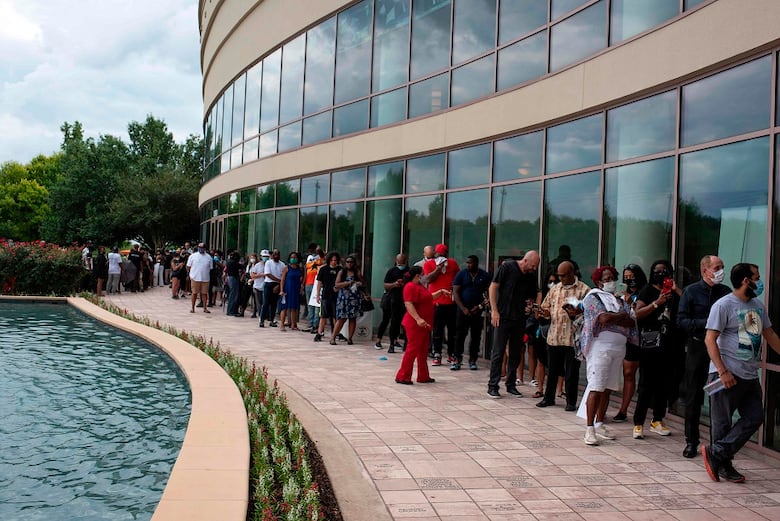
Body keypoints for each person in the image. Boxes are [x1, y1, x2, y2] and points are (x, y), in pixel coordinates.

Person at [702, 263, 780, 483]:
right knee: (722, 424)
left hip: (749, 375)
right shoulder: (723, 305)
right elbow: (710, 340)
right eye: (757, 277)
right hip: (726, 374)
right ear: (746, 281)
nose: (760, 282)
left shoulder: (757, 306)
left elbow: (770, 334)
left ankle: (717, 452)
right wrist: (722, 371)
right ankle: (724, 465)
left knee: (755, 417)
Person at [677, 255, 730, 458]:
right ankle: (691, 441)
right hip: (698, 348)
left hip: (720, 350)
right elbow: (682, 321)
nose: (720, 271)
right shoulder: (691, 291)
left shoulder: (725, 292)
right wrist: (709, 323)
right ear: (704, 270)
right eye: (717, 268)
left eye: (722, 267)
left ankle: (719, 443)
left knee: (720, 396)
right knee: (694, 396)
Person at [579, 266, 638, 445]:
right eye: (607, 279)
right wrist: (620, 316)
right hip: (600, 347)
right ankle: (589, 429)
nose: (611, 282)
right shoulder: (593, 297)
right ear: (599, 282)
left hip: (618, 348)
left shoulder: (618, 300)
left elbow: (631, 321)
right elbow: (602, 318)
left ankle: (599, 423)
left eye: (613, 278)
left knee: (607, 388)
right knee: (596, 386)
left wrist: (615, 317)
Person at [632, 260, 683, 439]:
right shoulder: (647, 290)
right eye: (658, 271)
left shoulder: (674, 292)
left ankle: (657, 420)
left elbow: (689, 304)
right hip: (650, 343)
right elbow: (637, 314)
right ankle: (638, 423)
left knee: (665, 384)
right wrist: (657, 303)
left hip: (670, 344)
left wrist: (675, 290)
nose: (661, 275)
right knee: (646, 384)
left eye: (665, 271)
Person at [536, 261, 590, 410]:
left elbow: (590, 313)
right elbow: (546, 308)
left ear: (571, 273)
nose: (561, 278)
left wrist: (576, 313)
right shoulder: (555, 289)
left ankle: (571, 402)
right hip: (555, 336)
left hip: (573, 338)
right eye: (559, 276)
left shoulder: (584, 290)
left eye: (564, 275)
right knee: (552, 370)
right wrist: (543, 312)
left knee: (571, 372)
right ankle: (548, 398)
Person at [487, 251, 540, 398]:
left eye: (536, 267)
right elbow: (493, 287)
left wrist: (531, 306)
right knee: (498, 352)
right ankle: (493, 385)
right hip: (503, 316)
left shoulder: (530, 276)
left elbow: (534, 294)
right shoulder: (507, 267)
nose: (534, 269)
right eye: (533, 266)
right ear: (525, 260)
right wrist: (494, 310)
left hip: (519, 318)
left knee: (516, 353)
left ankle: (511, 384)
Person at [395, 266, 449, 384]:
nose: (424, 276)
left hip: (424, 324)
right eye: (422, 274)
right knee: (412, 350)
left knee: (422, 351)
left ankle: (423, 376)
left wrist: (440, 292)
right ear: (417, 275)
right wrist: (418, 319)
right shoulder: (410, 286)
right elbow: (408, 304)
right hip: (415, 324)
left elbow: (428, 298)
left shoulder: (419, 286)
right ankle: (403, 376)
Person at [612, 264, 648, 422]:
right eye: (626, 277)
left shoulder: (644, 292)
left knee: (635, 374)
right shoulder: (622, 293)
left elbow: (638, 314)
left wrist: (630, 304)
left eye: (632, 276)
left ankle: (629, 409)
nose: (629, 280)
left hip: (641, 337)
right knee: (627, 373)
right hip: (624, 336)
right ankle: (623, 410)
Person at [451, 255, 491, 370]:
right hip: (462, 310)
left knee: (476, 336)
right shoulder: (461, 274)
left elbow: (490, 294)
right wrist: (463, 308)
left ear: (476, 263)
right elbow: (455, 292)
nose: (468, 265)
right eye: (467, 263)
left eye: (471, 263)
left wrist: (479, 306)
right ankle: (457, 359)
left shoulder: (484, 275)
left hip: (477, 311)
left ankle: (473, 360)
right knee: (460, 335)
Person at [423, 243, 460, 366]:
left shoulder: (453, 264)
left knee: (452, 331)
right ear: (435, 255)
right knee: (437, 330)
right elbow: (428, 279)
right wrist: (438, 268)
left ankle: (451, 354)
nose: (441, 258)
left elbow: (458, 279)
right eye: (439, 256)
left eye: (443, 256)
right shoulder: (429, 264)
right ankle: (437, 353)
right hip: (437, 303)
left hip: (451, 302)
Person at [527, 269, 558, 398]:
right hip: (543, 328)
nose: (552, 284)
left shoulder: (561, 293)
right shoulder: (541, 294)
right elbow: (536, 314)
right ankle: (540, 388)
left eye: (555, 281)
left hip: (557, 328)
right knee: (541, 359)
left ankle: (559, 390)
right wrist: (540, 311)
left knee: (556, 361)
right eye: (550, 281)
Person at [376, 254, 409, 353]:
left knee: (403, 322)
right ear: (396, 261)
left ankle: (402, 342)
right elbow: (386, 285)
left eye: (403, 262)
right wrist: (395, 284)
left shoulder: (408, 271)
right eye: (400, 262)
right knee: (390, 321)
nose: (401, 264)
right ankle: (386, 342)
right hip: (392, 299)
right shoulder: (392, 271)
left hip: (404, 300)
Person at [330, 255, 364, 345]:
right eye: (347, 262)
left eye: (351, 262)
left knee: (352, 319)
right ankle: (333, 337)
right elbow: (337, 284)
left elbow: (363, 283)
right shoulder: (342, 272)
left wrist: (359, 282)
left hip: (354, 298)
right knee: (341, 318)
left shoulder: (357, 272)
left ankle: (350, 338)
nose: (349, 264)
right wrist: (348, 283)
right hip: (344, 299)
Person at [314, 252, 341, 342]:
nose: (333, 262)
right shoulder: (323, 269)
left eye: (335, 260)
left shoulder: (340, 270)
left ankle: (336, 333)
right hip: (326, 295)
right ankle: (319, 333)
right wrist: (318, 295)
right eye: (332, 260)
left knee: (335, 316)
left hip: (336, 296)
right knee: (323, 316)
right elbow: (319, 282)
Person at [279, 251, 304, 331]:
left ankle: (293, 324)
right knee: (284, 308)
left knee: (294, 308)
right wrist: (281, 290)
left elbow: (301, 279)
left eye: (295, 257)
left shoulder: (299, 269)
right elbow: (282, 280)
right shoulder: (286, 268)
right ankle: (282, 324)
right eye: (292, 257)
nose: (293, 259)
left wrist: (301, 288)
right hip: (287, 289)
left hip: (295, 290)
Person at [186, 242, 213, 313]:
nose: (200, 249)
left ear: (205, 248)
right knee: (194, 293)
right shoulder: (192, 256)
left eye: (202, 247)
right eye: (199, 247)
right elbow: (188, 266)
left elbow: (210, 268)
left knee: (204, 293)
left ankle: (205, 308)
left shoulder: (209, 257)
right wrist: (189, 274)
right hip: (195, 278)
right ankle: (192, 308)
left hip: (205, 278)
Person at [260, 249, 284, 327]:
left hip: (277, 285)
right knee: (266, 303)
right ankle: (262, 320)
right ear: (272, 255)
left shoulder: (282, 264)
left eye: (277, 254)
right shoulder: (268, 262)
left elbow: (283, 276)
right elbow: (268, 274)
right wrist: (279, 280)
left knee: (274, 304)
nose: (276, 255)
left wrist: (279, 284)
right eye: (274, 254)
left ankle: (272, 320)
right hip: (269, 284)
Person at [304, 246, 325, 332]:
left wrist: (320, 252)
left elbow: (322, 258)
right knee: (310, 305)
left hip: (317, 283)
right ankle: (310, 324)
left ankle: (315, 325)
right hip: (308, 283)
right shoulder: (309, 258)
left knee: (317, 305)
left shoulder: (322, 258)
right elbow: (306, 269)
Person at [226, 250, 242, 316]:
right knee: (233, 295)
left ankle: (231, 310)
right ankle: (231, 311)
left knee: (233, 294)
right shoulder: (233, 262)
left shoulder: (229, 261)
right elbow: (241, 266)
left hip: (231, 278)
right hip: (233, 278)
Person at [248, 252, 265, 318]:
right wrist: (260, 275)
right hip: (256, 285)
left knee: (263, 302)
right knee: (258, 301)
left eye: (254, 258)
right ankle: (259, 314)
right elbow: (252, 275)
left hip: (263, 285)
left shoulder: (267, 265)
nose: (252, 259)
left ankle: (263, 314)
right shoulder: (253, 266)